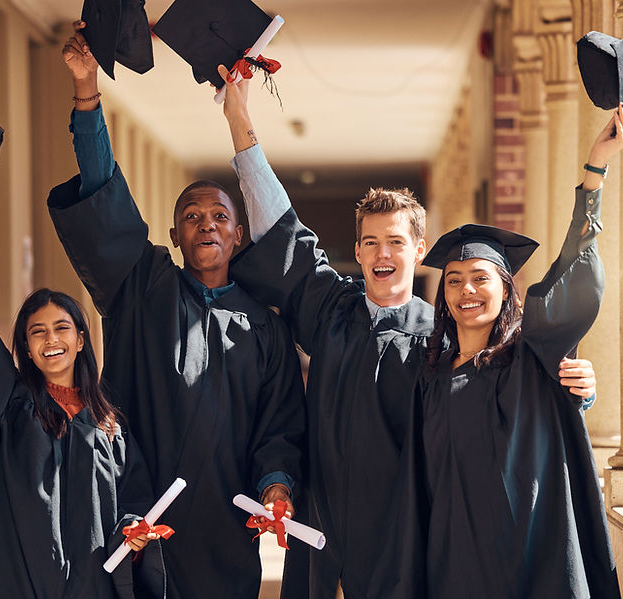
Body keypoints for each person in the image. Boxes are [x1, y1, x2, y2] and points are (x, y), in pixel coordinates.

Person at [220, 66, 599, 598]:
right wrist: (240, 121)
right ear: (355, 253)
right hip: (322, 529)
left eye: (396, 242)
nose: (382, 254)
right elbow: (279, 228)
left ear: (420, 252)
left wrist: (577, 392)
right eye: (370, 242)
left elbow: (508, 399)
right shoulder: (331, 310)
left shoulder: (444, 343)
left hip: (406, 538)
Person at [47, 23, 306, 599]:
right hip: (140, 510)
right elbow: (104, 192)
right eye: (192, 217)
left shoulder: (264, 325)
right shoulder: (144, 290)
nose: (206, 224)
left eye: (219, 216)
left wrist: (275, 488)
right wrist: (87, 92)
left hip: (224, 524)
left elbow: (279, 426)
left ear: (238, 235)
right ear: (174, 234)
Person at [378, 100, 623, 599]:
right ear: (443, 299)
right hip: (451, 565)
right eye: (454, 281)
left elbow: (573, 274)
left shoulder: (530, 361)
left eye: (480, 278)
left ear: (505, 288)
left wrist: (595, 171)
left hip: (529, 560)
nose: (466, 290)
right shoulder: (428, 378)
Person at [0, 168, 165, 599]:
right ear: (26, 348)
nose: (51, 340)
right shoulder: (7, 410)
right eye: (37, 331)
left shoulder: (110, 427)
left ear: (81, 339)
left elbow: (132, 503)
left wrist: (136, 535)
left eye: (62, 328)